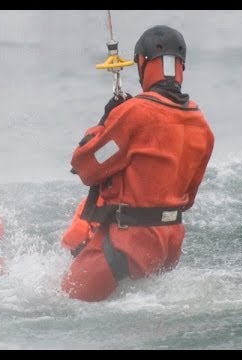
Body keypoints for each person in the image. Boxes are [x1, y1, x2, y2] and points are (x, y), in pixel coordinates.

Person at [60, 25, 215, 302]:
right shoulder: (202, 126)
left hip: (127, 246)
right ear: (181, 67)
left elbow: (86, 166)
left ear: (142, 63)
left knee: (59, 304)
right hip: (168, 247)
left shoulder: (134, 113)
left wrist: (105, 121)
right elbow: (187, 200)